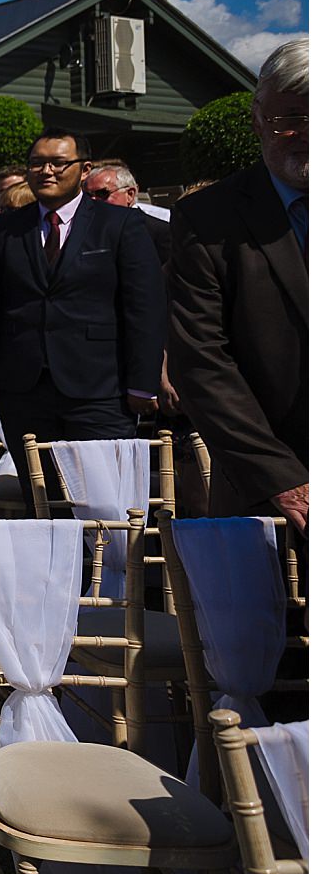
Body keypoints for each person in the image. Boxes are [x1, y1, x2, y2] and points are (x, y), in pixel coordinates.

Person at [169, 36, 307, 528]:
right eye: (290, 119)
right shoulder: (208, 218)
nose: (308, 133)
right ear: (257, 121)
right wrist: (279, 477)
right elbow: (201, 361)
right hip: (273, 497)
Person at [0, 129, 165, 460]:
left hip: (99, 389)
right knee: (41, 501)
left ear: (84, 170)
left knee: (104, 501)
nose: (46, 171)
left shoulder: (119, 225)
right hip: (23, 389)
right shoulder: (7, 228)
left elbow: (144, 308)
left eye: (58, 162)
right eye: (37, 163)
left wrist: (142, 383)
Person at [86, 158, 171, 266]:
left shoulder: (159, 232)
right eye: (88, 196)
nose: (93, 201)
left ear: (130, 194)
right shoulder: (82, 230)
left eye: (102, 194)